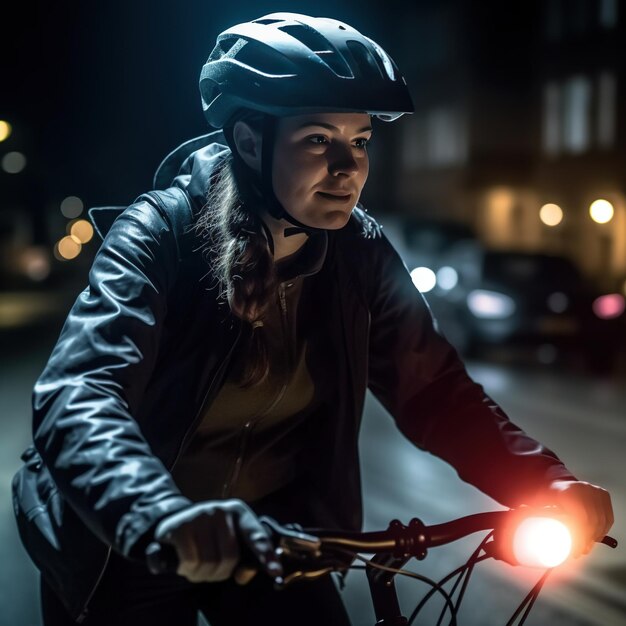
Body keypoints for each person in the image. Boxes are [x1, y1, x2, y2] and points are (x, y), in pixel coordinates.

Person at [13, 11, 613, 626]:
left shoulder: (361, 254)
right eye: (318, 140)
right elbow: (82, 394)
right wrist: (156, 514)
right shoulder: (160, 233)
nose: (348, 168)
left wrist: (543, 482)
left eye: (360, 141)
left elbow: (433, 390)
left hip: (275, 531)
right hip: (130, 529)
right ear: (250, 142)